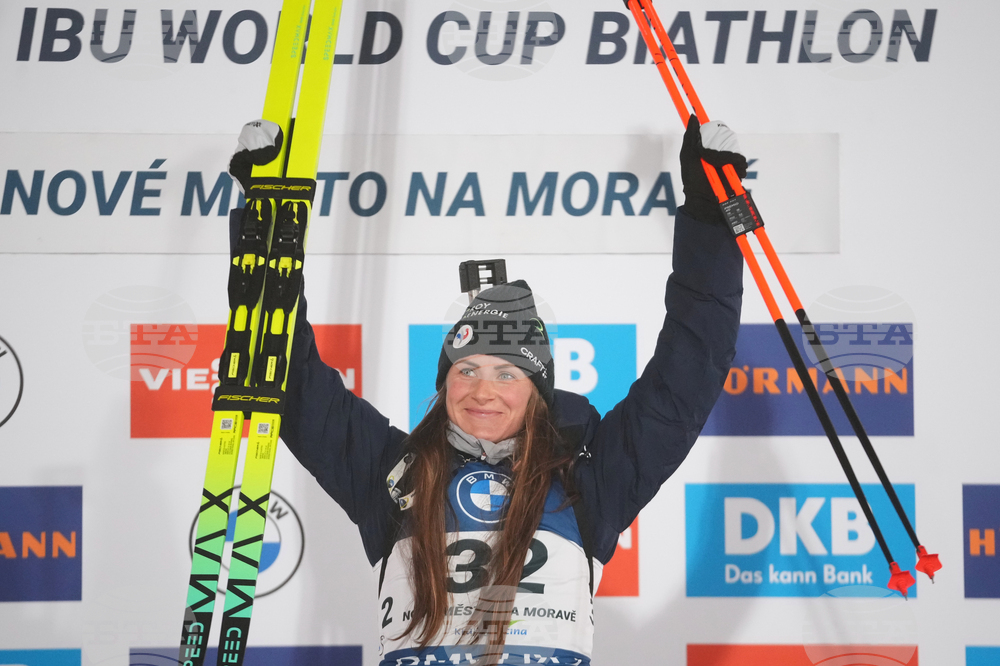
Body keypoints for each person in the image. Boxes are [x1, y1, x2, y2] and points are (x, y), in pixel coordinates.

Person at [227, 115, 746, 666]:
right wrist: (266, 216)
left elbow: (686, 376)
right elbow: (290, 378)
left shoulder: (589, 477)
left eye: (507, 374)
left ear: (537, 391)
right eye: (466, 369)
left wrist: (710, 219)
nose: (483, 391)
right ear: (445, 379)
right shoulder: (392, 470)